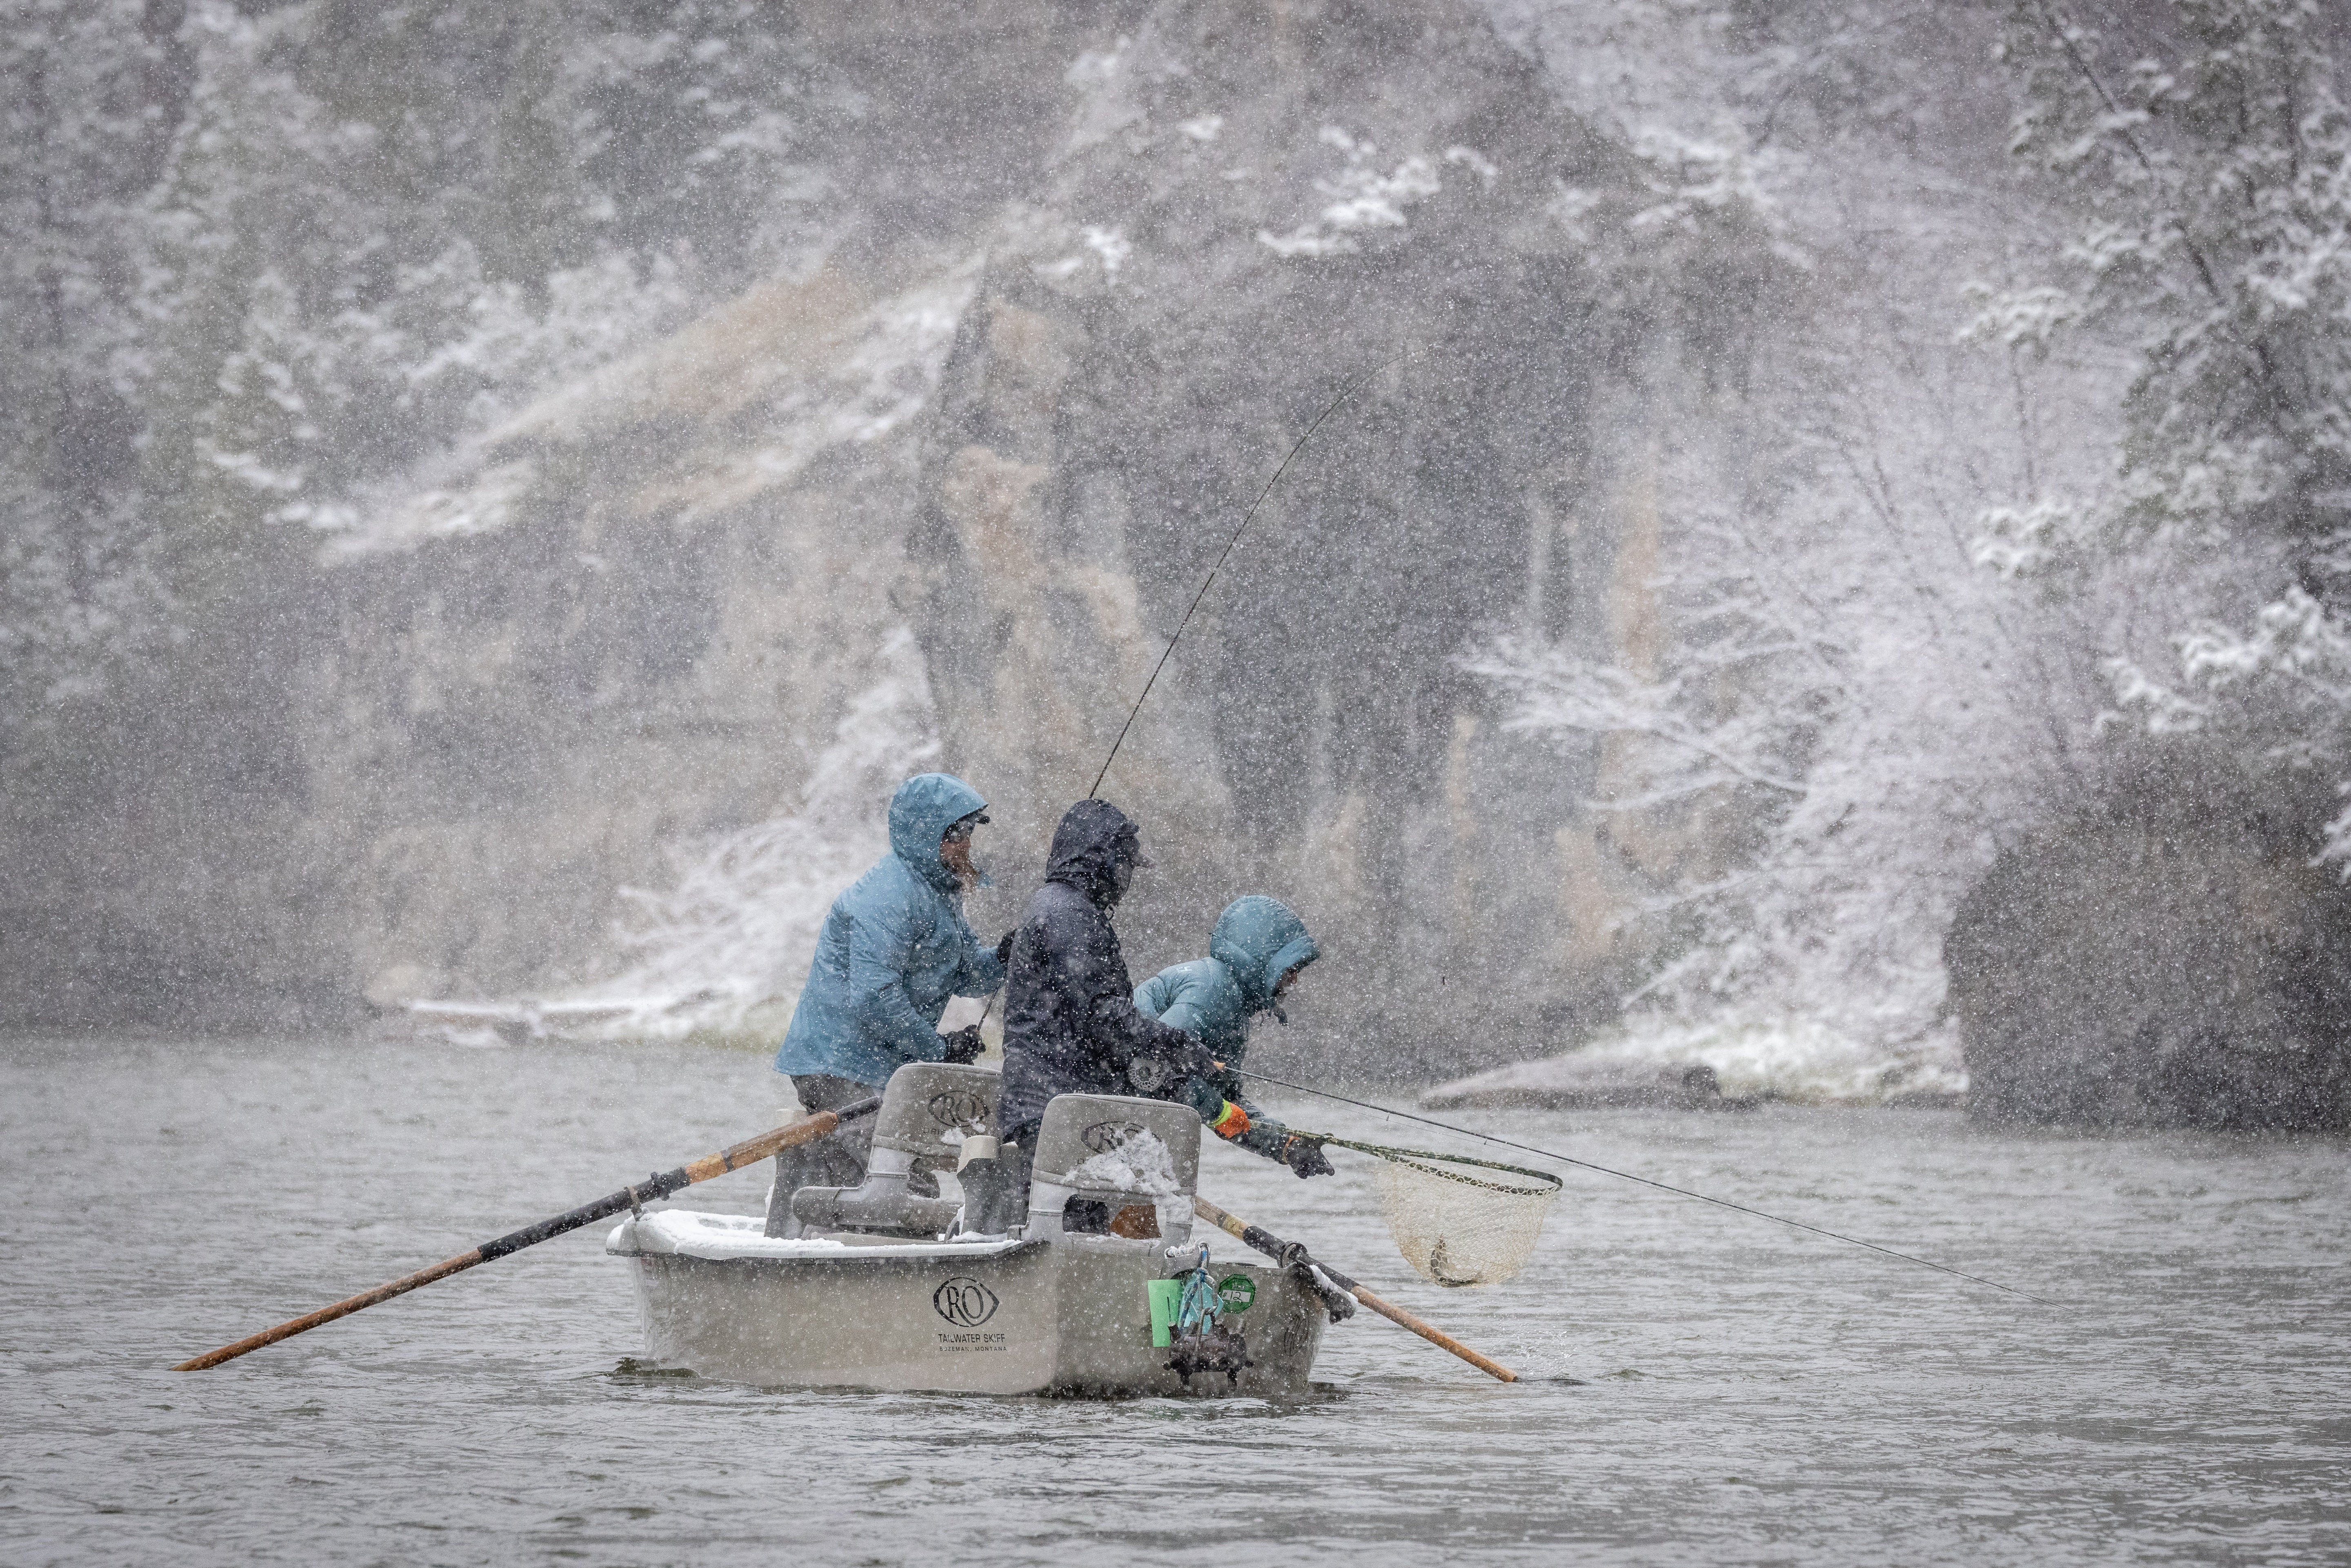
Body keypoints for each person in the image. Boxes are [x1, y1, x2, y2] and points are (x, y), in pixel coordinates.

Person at [764, 772, 1009, 1237]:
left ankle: (825, 1265)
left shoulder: (941, 893)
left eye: (971, 831)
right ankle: (901, 1279)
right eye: (957, 833)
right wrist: (939, 1049)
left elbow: (967, 971)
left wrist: (1003, 956)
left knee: (849, 1180)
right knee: (904, 1184)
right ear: (927, 832)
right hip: (839, 1062)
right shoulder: (889, 895)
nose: (966, 845)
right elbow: (874, 998)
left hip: (873, 1066)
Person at [972, 799, 1211, 1232]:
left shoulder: (1059, 907)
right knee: (1071, 1232)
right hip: (1058, 1111)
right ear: (1103, 859)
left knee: (1054, 1224)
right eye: (1127, 865)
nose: (1128, 880)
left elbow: (1089, 1019)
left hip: (1048, 1105)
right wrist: (1177, 1046)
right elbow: (1102, 1015)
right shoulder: (1072, 917)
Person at [1134, 894, 1333, 1178]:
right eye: (1290, 968)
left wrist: (1286, 1146)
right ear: (1263, 962)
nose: (1294, 979)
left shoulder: (1232, 1007)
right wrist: (1219, 1111)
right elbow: (1154, 1068)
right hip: (1099, 1112)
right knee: (1138, 1222)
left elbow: (1226, 1097)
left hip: (1127, 1122)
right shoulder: (1211, 991)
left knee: (1141, 1221)